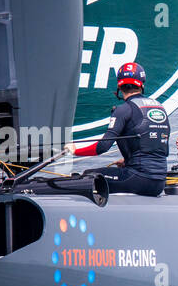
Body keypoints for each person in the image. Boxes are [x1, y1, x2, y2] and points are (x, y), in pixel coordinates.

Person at [70, 62, 169, 196]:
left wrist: (75, 150)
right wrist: (128, 160)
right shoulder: (159, 107)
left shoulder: (123, 110)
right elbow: (152, 146)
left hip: (138, 179)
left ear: (119, 86)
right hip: (159, 183)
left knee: (89, 176)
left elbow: (102, 147)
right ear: (142, 84)